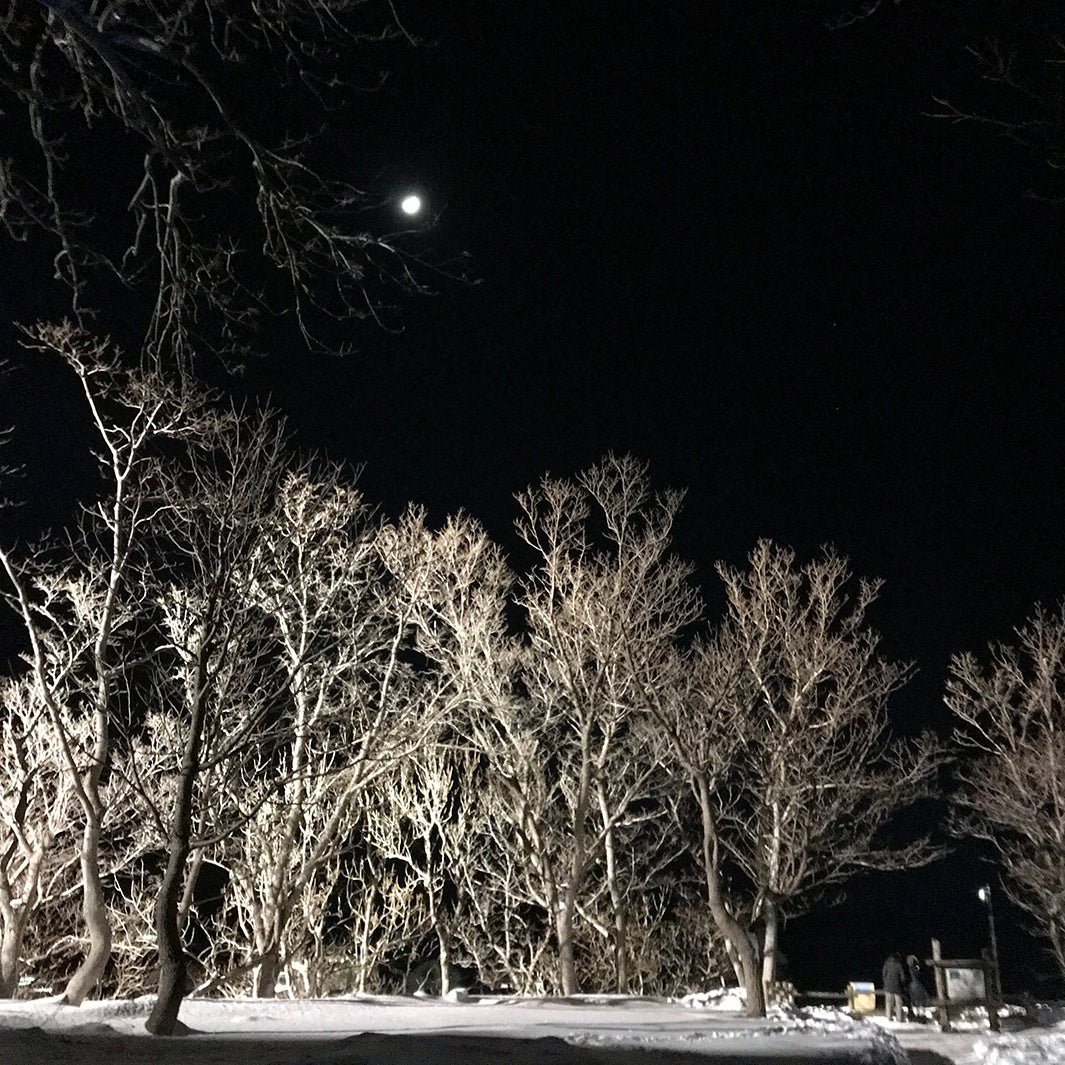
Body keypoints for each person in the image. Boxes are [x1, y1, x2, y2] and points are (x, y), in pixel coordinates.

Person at [882, 951, 908, 1022]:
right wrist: (903, 984)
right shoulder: (899, 965)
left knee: (888, 1003)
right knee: (899, 1003)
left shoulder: (887, 964)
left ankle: (889, 1017)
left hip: (888, 987)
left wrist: (886, 982)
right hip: (897, 987)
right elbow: (903, 977)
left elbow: (884, 974)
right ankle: (899, 1018)